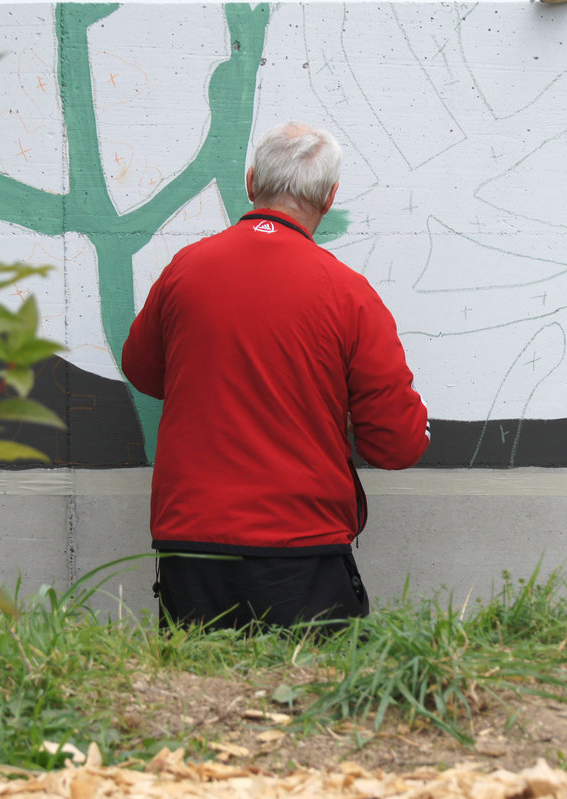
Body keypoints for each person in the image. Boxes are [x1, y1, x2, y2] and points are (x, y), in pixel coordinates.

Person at [122, 121, 430, 633]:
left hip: (191, 543)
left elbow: (143, 371)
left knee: (195, 685)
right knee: (310, 685)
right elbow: (397, 444)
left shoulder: (184, 270)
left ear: (250, 183)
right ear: (329, 198)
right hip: (303, 549)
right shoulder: (348, 292)